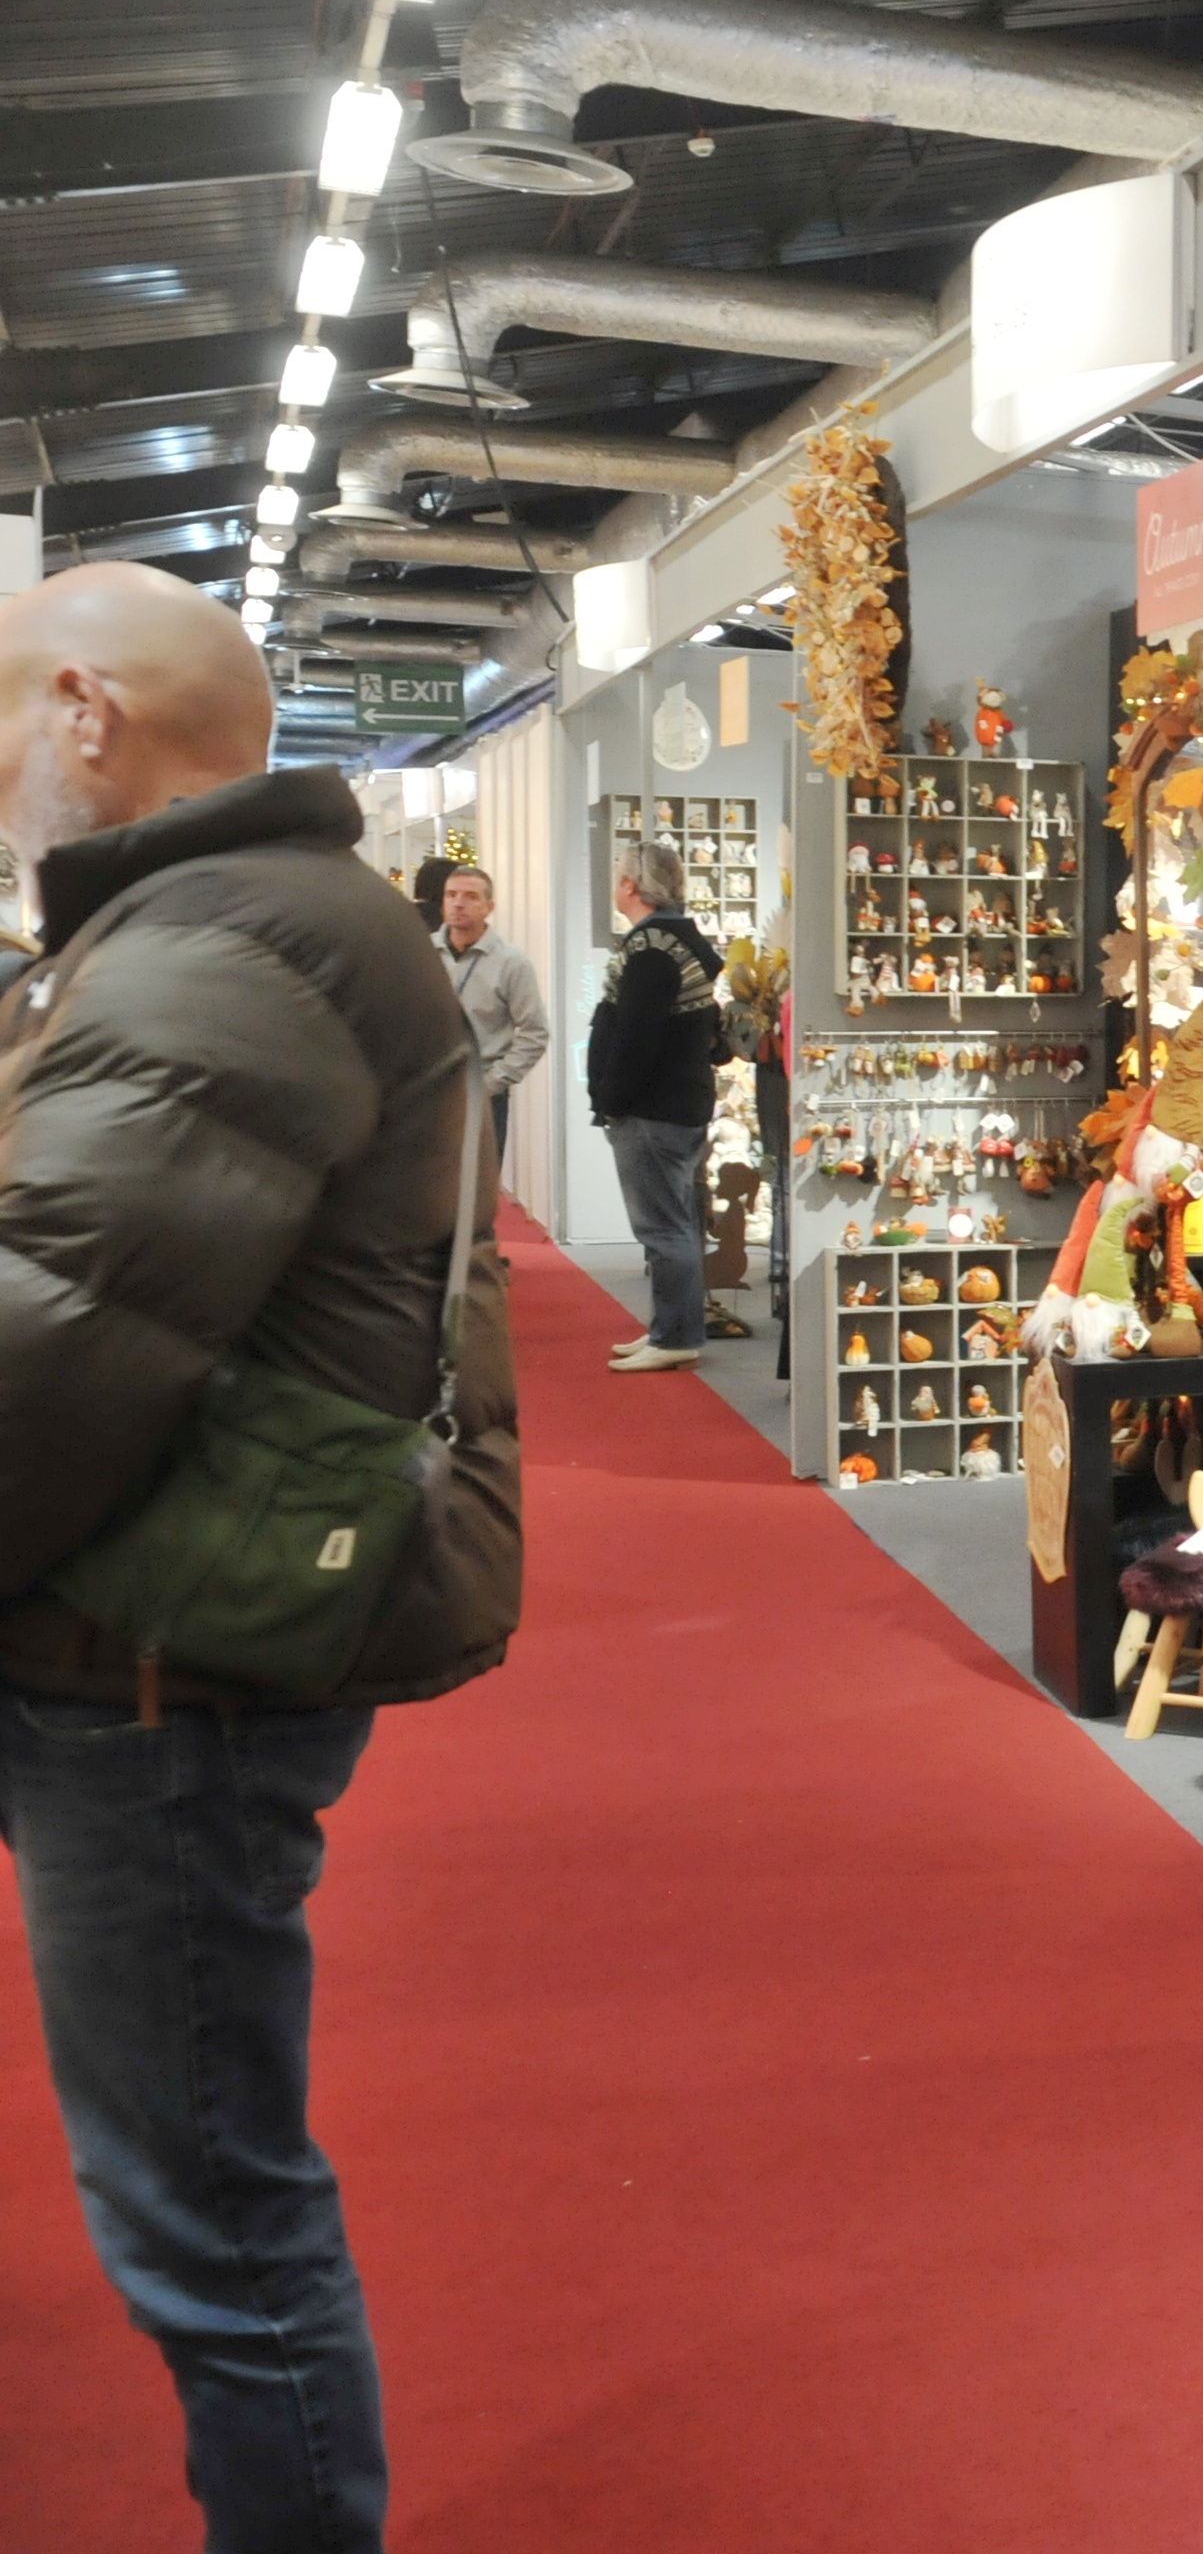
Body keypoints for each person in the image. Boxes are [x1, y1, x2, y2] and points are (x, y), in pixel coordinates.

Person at [0, 562, 524, 2554]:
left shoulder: (227, 938)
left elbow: (54, 1331)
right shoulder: (217, 922)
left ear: (85, 710)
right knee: (204, 2196)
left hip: (164, 1654)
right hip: (149, 1626)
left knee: (210, 2219)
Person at [587, 836, 724, 1372]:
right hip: (677, 1103)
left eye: (618, 876)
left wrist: (611, 1099)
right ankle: (672, 1328)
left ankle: (674, 1336)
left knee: (664, 1229)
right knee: (676, 1224)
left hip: (654, 1108)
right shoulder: (677, 941)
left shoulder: (652, 949)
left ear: (630, 885)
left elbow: (635, 1036)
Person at [434, 861, 549, 1175]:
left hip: (481, 1094)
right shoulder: (422, 951)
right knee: (427, 1189)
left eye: (470, 896)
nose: (458, 903)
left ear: (489, 907)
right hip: (429, 1095)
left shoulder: (511, 962)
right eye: (451, 895)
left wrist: (493, 1083)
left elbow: (535, 1032)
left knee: (476, 1187)